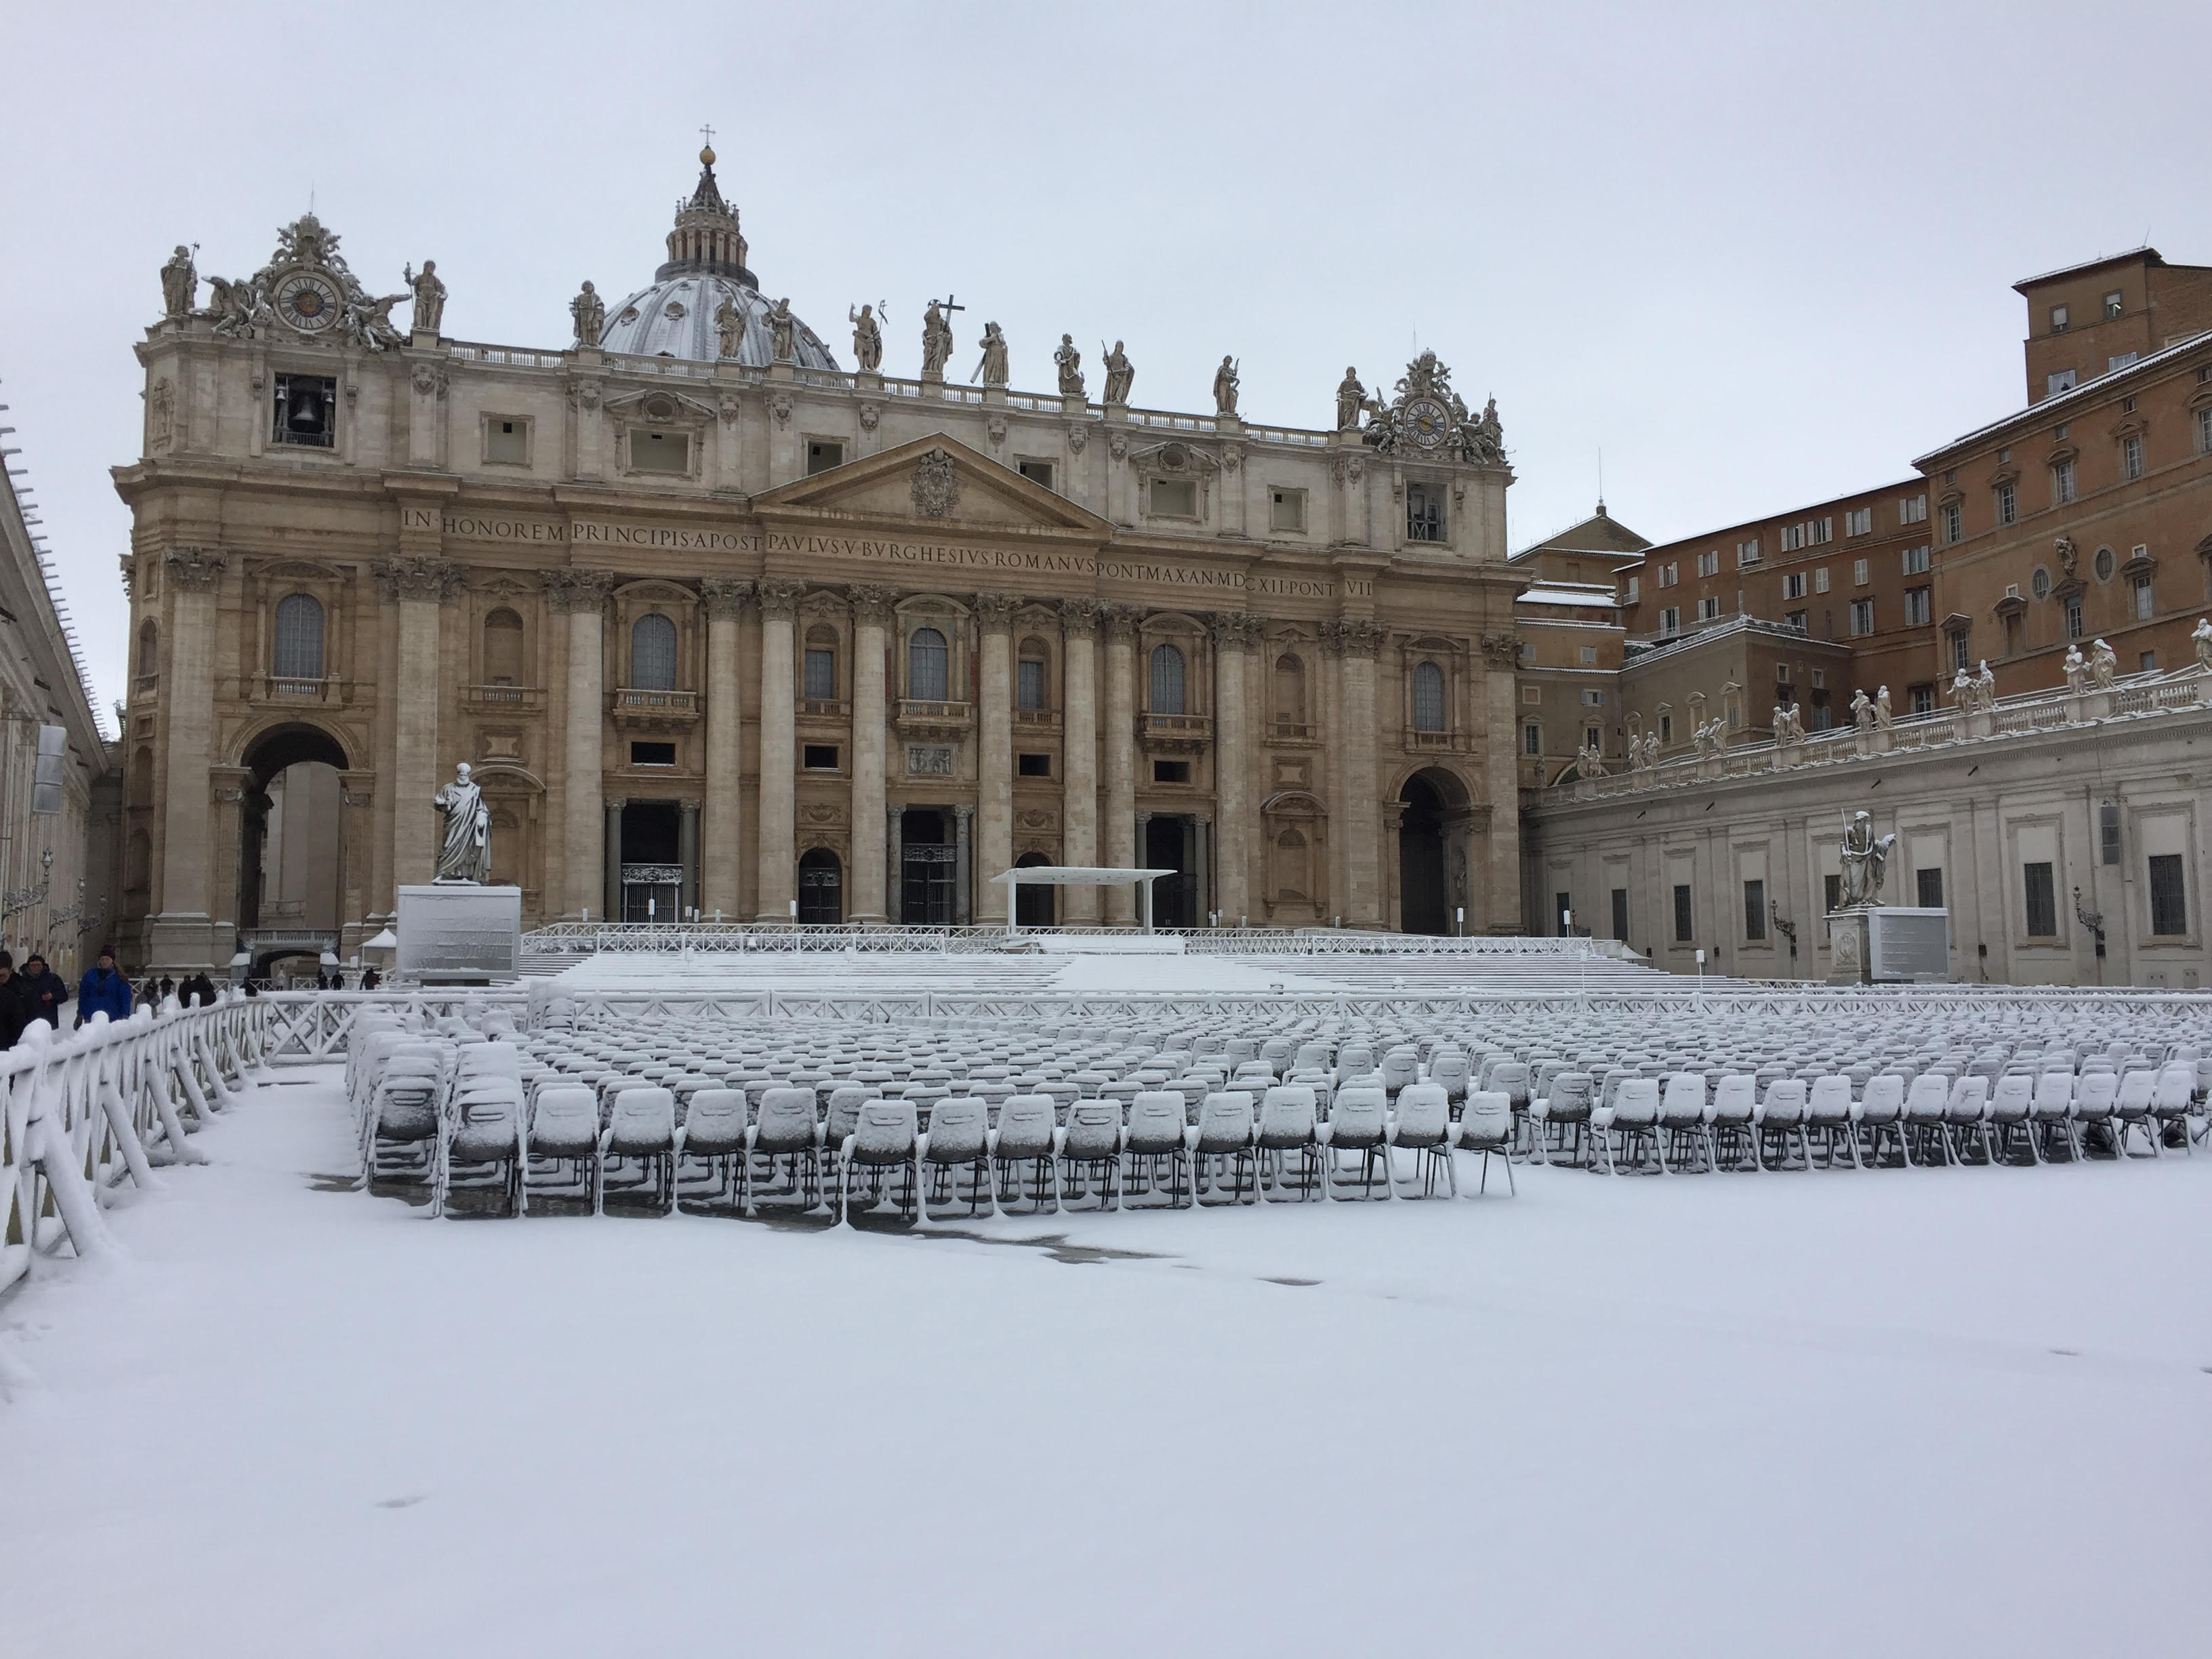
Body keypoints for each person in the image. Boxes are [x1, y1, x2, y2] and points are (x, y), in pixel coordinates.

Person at [73, 947, 133, 1027]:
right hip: (91, 1017)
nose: (104, 962)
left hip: (113, 1019)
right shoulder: (90, 975)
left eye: (107, 959)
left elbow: (125, 998)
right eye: (102, 959)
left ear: (112, 961)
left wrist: (126, 1015)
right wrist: (80, 1014)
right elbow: (83, 996)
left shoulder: (119, 977)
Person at [22, 953, 68, 1029]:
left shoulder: (53, 979)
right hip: (27, 1021)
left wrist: (52, 996)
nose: (35, 967)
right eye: (33, 965)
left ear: (43, 965)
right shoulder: (22, 981)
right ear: (28, 966)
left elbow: (64, 996)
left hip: (47, 1020)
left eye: (38, 965)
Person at [0, 952, 34, 1048]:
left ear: (11, 971)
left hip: (10, 1046)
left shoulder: (21, 990)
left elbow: (27, 1018)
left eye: (2, 976)